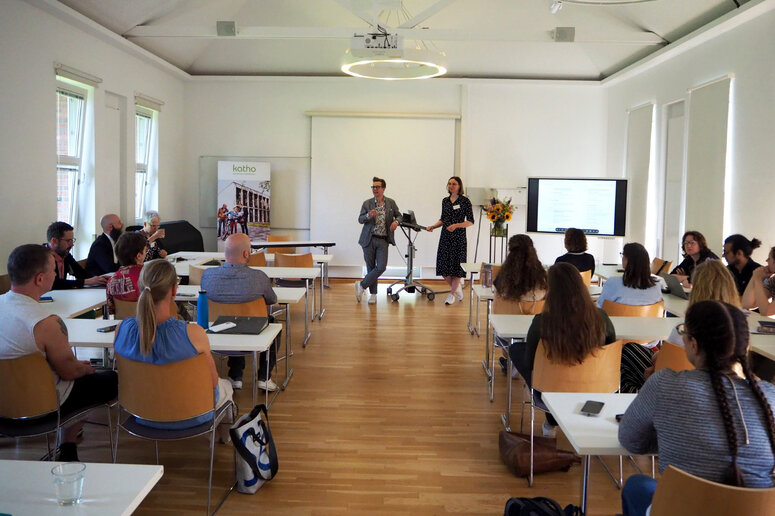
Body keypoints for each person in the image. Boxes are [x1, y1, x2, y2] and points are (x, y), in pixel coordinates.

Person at [618, 301, 775, 516]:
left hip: (678, 509)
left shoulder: (664, 384)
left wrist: (674, 436)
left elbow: (631, 441)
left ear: (693, 344)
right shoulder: (770, 398)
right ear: (745, 347)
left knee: (637, 485)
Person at [0, 244, 118, 461]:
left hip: (3, 408)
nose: (56, 274)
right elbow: (70, 373)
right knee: (109, 378)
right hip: (44, 408)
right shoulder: (46, 323)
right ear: (39, 279)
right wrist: (85, 368)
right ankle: (68, 447)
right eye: (53, 270)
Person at [112, 259, 234, 435]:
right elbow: (212, 382)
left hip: (140, 412)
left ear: (140, 288)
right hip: (194, 413)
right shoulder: (193, 334)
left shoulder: (121, 329)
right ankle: (225, 437)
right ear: (174, 291)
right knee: (226, 386)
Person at [509, 262, 616, 436]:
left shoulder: (541, 322)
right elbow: (609, 353)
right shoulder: (601, 318)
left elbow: (530, 363)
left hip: (549, 391)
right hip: (595, 388)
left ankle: (552, 421)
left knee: (516, 349)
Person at [201, 233, 279, 391]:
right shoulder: (259, 277)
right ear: (246, 253)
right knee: (273, 323)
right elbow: (272, 299)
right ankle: (264, 377)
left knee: (231, 319)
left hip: (218, 330)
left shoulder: (208, 276)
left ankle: (236, 375)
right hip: (252, 331)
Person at [597, 243, 663, 392]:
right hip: (648, 346)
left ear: (627, 261)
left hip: (616, 344)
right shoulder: (656, 285)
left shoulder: (613, 283)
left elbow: (600, 312)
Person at [493, 234, 548, 375]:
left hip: (506, 328)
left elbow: (497, 300)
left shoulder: (503, 276)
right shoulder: (542, 276)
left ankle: (511, 359)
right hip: (536, 328)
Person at [426, 176, 474, 305]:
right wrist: (433, 226)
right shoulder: (445, 201)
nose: (451, 186)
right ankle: (456, 287)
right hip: (446, 236)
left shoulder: (465, 201)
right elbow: (443, 219)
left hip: (459, 237)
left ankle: (451, 294)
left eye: (454, 184)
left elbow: (470, 221)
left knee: (457, 266)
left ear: (459, 186)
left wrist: (457, 225)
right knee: (443, 266)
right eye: (449, 183)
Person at [355, 176, 400, 305]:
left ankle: (361, 285)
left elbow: (399, 216)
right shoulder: (367, 203)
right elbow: (360, 219)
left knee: (381, 267)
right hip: (368, 239)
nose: (375, 189)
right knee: (370, 267)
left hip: (383, 240)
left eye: (377, 187)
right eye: (373, 187)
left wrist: (396, 222)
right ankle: (373, 294)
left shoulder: (390, 203)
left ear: (383, 188)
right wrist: (369, 215)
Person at [44, 221, 108, 289]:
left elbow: (80, 273)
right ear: (54, 241)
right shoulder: (42, 257)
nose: (72, 244)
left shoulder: (65, 254)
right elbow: (53, 283)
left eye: (72, 240)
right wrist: (84, 282)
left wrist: (100, 279)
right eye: (68, 241)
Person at [105, 232, 148, 315]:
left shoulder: (112, 280)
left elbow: (111, 310)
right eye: (145, 250)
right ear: (139, 256)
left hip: (124, 324)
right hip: (149, 323)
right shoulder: (149, 276)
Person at [742, 245, 775, 317]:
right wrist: (755, 277)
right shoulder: (773, 280)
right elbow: (747, 304)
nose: (766, 261)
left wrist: (758, 280)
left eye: (769, 258)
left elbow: (766, 311)